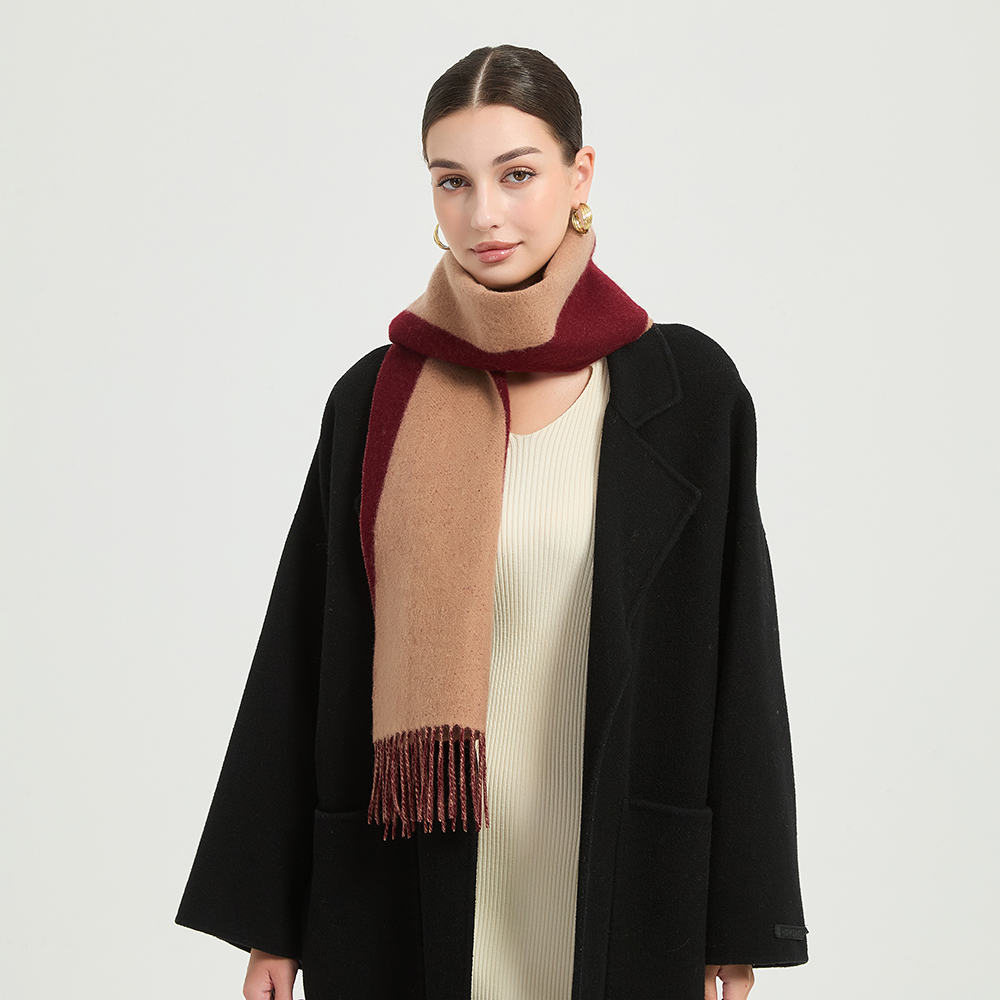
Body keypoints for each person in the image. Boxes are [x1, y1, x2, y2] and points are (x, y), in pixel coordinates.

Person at [176, 44, 808, 1000]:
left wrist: (741, 915)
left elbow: (742, 663)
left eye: (517, 174)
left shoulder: (688, 392)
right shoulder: (377, 398)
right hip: (410, 878)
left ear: (579, 175)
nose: (484, 214)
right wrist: (273, 924)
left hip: (620, 872)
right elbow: (301, 656)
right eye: (452, 181)